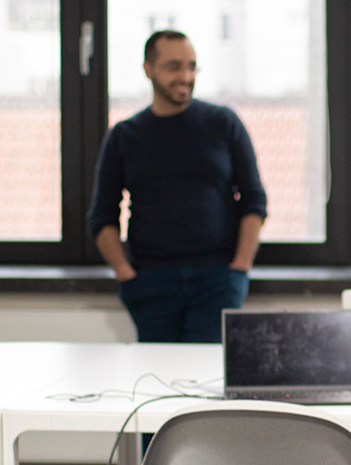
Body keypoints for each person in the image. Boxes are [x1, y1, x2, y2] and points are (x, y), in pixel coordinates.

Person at [87, 30, 266, 344]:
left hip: (217, 280)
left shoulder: (224, 123)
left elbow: (254, 201)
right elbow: (101, 217)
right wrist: (125, 274)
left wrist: (239, 269)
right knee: (158, 381)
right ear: (149, 69)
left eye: (192, 66)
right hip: (151, 283)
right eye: (173, 67)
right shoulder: (125, 136)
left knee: (207, 380)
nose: (185, 76)